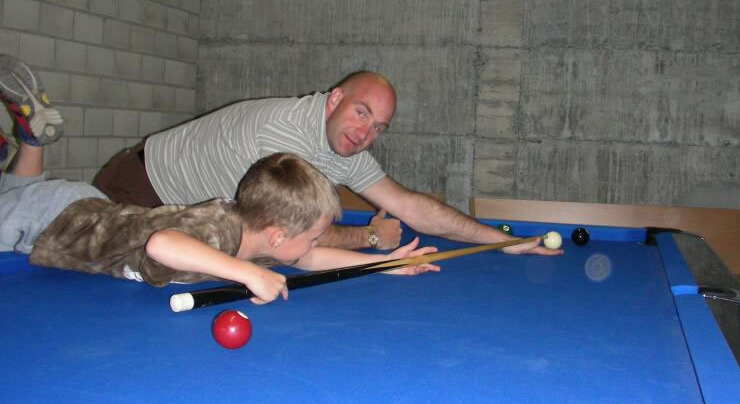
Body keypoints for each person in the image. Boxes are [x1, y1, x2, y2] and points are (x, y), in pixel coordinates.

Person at [0, 57, 439, 304]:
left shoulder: (263, 239)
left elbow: (309, 259)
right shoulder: (221, 229)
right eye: (311, 235)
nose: (313, 244)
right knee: (17, 203)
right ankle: (29, 143)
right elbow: (162, 244)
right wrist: (247, 273)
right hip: (54, 221)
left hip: (77, 207)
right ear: (277, 233)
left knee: (16, 191)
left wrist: (384, 263)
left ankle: (32, 141)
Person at [93, 71, 564, 258]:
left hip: (189, 217)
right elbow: (291, 236)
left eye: (378, 126)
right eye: (361, 113)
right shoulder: (284, 137)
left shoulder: (343, 146)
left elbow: (410, 206)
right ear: (335, 99)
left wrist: (501, 240)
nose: (365, 132)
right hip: (139, 190)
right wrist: (372, 238)